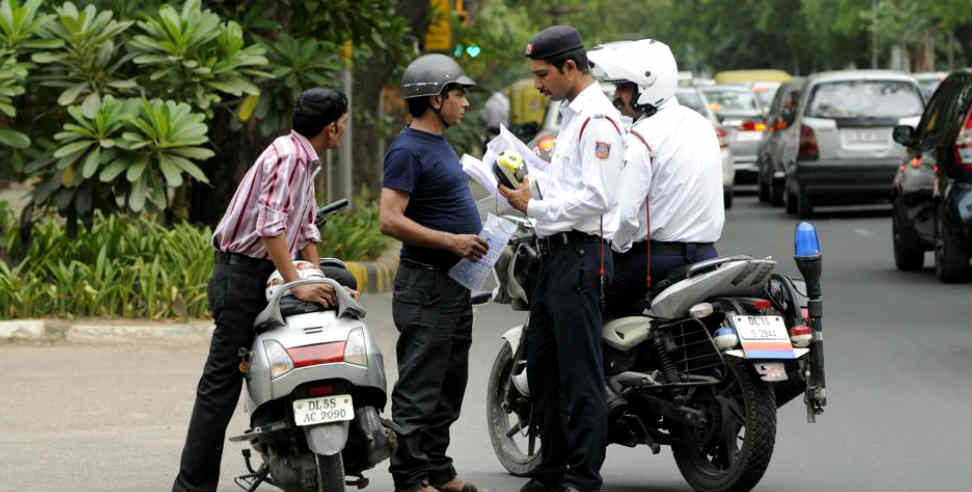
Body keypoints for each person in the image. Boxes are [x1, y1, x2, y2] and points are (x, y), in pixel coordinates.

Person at [171, 88, 351, 492]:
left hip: (264, 272)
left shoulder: (305, 160)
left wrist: (318, 282)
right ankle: (190, 488)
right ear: (333, 126)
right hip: (242, 276)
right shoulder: (288, 157)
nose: (344, 128)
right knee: (220, 386)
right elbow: (271, 228)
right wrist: (298, 285)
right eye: (344, 121)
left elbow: (303, 228)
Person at [498, 25, 624, 492]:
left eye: (542, 73)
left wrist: (534, 205)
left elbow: (598, 197)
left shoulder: (599, 121)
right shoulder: (573, 117)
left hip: (580, 257)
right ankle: (550, 470)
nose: (537, 84)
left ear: (571, 67)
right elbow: (570, 185)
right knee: (544, 371)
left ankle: (583, 476)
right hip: (553, 258)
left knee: (579, 373)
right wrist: (535, 183)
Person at [378, 53, 488, 492]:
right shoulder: (406, 150)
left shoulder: (440, 144)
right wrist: (452, 241)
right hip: (425, 284)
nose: (464, 103)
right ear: (436, 98)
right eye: (458, 94)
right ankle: (408, 477)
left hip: (454, 285)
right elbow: (389, 219)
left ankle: (438, 468)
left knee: (449, 382)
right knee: (420, 385)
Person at [590, 39, 725, 319]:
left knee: (589, 315)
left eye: (624, 87)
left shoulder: (643, 137)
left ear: (648, 86)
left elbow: (626, 216)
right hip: (707, 258)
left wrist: (613, 248)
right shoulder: (700, 124)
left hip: (653, 262)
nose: (617, 95)